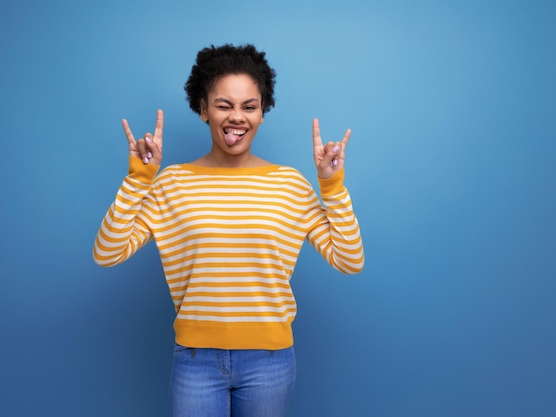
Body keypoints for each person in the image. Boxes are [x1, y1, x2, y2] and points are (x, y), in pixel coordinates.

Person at [93, 43, 364, 417]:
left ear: (261, 113)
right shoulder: (172, 183)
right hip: (195, 361)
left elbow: (349, 260)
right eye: (224, 105)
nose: (237, 117)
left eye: (249, 106)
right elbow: (107, 253)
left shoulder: (290, 185)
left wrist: (331, 186)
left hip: (269, 362)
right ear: (203, 109)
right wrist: (139, 179)